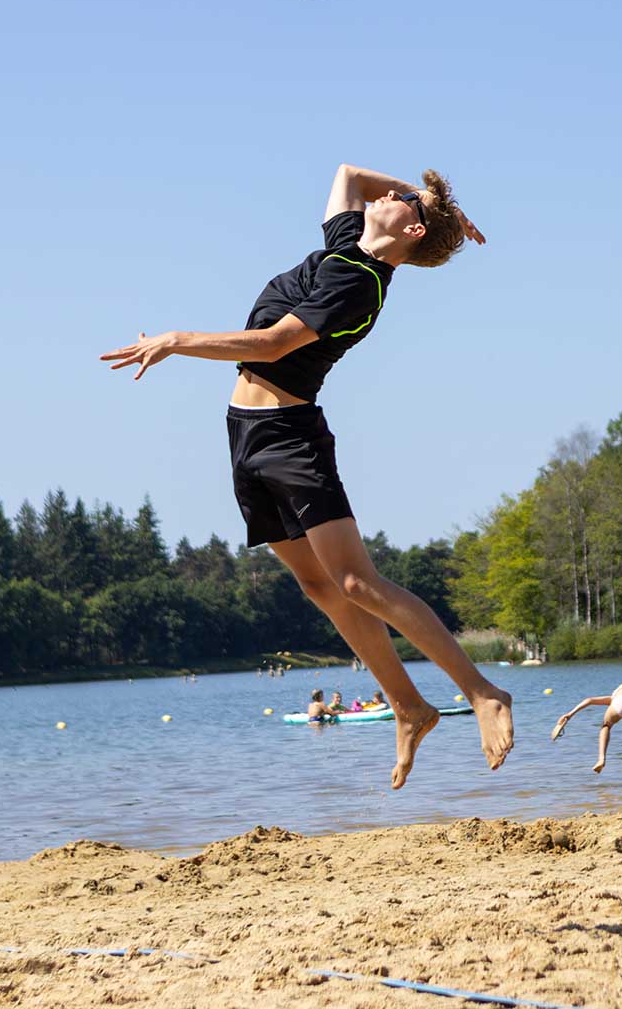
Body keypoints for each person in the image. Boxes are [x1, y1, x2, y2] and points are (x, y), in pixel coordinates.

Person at [100, 164, 513, 789]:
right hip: (245, 434)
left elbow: (270, 346)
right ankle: (408, 706)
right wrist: (435, 205)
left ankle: (482, 691)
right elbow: (350, 172)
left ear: (409, 228)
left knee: (358, 582)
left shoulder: (359, 282)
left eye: (401, 200)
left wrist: (177, 339)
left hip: (291, 440)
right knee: (322, 589)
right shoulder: (349, 245)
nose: (388, 195)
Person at [551, 684, 622, 788]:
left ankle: (601, 758)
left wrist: (570, 714)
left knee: (606, 726)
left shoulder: (616, 696)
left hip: (619, 703)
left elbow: (589, 700)